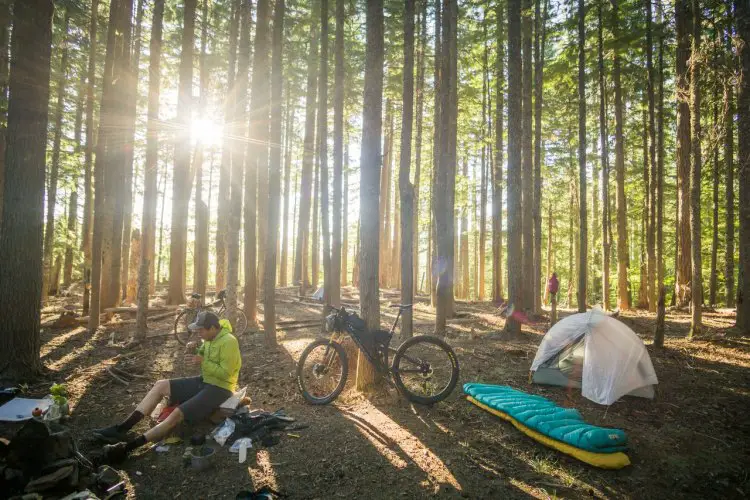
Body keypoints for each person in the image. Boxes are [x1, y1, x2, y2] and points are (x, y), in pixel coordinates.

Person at [94, 311, 241, 463]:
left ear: (212, 328)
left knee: (176, 414)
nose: (198, 333)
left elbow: (226, 373)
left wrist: (202, 361)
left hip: (221, 389)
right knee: (160, 385)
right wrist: (195, 349)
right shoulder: (210, 338)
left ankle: (127, 448)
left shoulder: (229, 341)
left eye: (201, 330)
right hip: (205, 381)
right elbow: (204, 354)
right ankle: (122, 429)